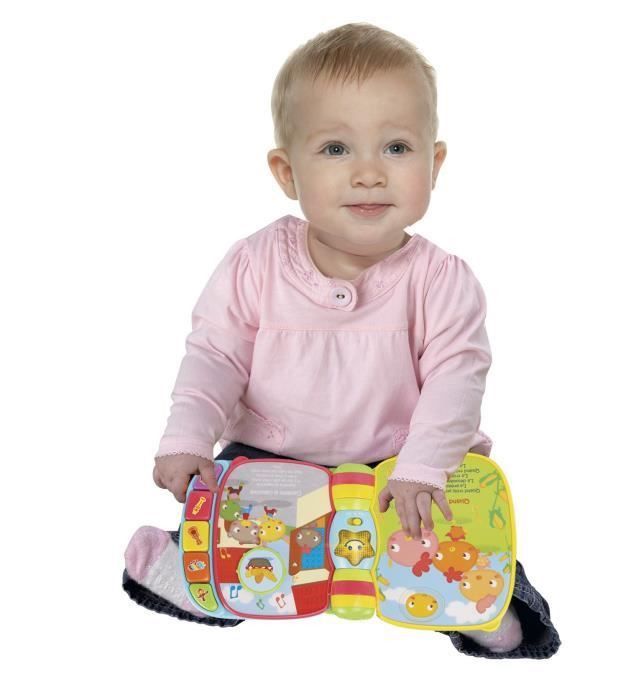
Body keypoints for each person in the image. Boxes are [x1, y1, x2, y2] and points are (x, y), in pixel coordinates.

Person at [123, 22, 561, 660]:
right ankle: (204, 581)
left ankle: (480, 602)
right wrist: (186, 437)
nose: (368, 174)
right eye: (335, 149)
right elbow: (214, 357)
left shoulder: (441, 279)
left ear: (434, 164)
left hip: (401, 464)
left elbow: (456, 381)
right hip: (276, 459)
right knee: (233, 517)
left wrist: (421, 467)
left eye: (396, 148)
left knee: (452, 528)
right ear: (286, 171)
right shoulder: (254, 263)